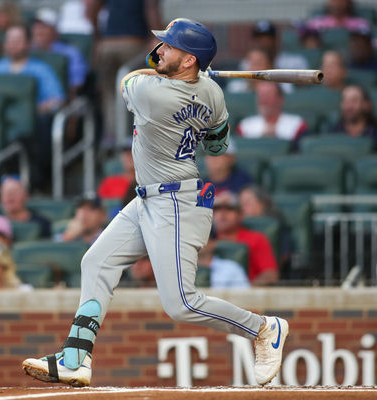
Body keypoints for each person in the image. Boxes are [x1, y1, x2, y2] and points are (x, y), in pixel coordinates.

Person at [22, 18, 288, 387]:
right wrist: (203, 90)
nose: (160, 50)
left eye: (169, 46)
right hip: (148, 197)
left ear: (190, 59)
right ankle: (76, 357)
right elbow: (217, 145)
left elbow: (127, 79)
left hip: (176, 204)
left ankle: (263, 328)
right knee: (96, 261)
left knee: (181, 303)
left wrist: (185, 83)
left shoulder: (152, 93)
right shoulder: (213, 95)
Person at [85, 0, 162, 143]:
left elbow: (91, 8)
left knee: (110, 94)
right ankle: (133, 138)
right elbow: (151, 9)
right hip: (134, 43)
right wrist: (157, 36)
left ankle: (113, 137)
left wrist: (98, 37)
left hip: (107, 44)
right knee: (138, 92)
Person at [0, 24, 65, 115]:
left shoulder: (41, 69)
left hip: (32, 121)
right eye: (9, 40)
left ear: (28, 43)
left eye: (17, 41)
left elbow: (57, 101)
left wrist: (34, 110)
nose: (12, 44)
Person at [212, 191, 279, 286]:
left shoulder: (256, 239)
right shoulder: (206, 242)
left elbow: (270, 275)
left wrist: (245, 290)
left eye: (229, 209)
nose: (222, 214)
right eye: (217, 209)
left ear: (240, 215)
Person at [31, 7, 89, 95]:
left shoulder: (70, 53)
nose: (39, 31)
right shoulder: (26, 50)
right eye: (37, 26)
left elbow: (77, 83)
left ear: (55, 31)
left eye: (44, 27)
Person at [236, 81, 308, 148]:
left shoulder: (296, 124)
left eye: (268, 95)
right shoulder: (245, 126)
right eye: (261, 96)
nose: (263, 100)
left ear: (280, 99)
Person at [328, 84, 377, 150]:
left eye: (354, 101)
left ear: (366, 105)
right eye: (345, 101)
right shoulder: (331, 135)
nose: (348, 106)